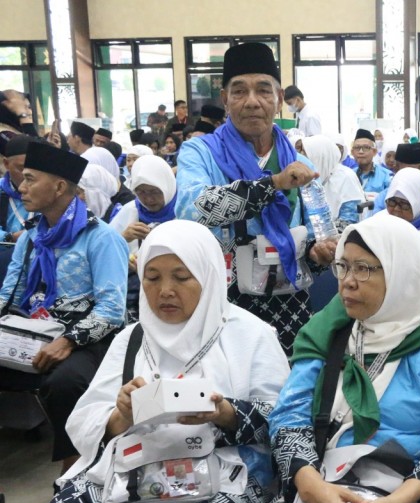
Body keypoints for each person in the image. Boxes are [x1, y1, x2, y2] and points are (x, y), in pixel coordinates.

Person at [3, 220, 290, 503]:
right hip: (128, 471)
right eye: (152, 278)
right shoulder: (133, 338)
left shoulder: (251, 335)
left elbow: (284, 423)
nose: (165, 291)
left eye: (181, 277)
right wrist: (121, 416)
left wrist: (224, 413)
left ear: (209, 275)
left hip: (220, 478)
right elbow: (84, 421)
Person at [241, 214, 420, 503]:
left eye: (365, 269)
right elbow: (289, 418)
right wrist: (313, 489)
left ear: (401, 274)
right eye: (343, 266)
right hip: (321, 482)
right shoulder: (328, 329)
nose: (348, 282)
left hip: (409, 496)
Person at [175, 42, 328, 355]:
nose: (252, 101)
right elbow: (193, 210)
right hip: (220, 303)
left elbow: (315, 237)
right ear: (225, 100)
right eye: (239, 91)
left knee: (288, 379)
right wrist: (272, 184)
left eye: (263, 90)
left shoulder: (300, 164)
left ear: (279, 99)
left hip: (289, 303)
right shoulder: (199, 152)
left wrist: (319, 252)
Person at [0, 141, 128, 469]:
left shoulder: (101, 238)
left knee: (64, 382)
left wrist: (68, 341)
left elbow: (111, 310)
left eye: (30, 179)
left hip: (88, 338)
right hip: (33, 331)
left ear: (59, 187)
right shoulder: (31, 238)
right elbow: (9, 295)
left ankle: (74, 469)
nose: (21, 187)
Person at [109, 154, 179, 257]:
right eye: (141, 192)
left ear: (167, 187)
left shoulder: (185, 212)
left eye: (155, 191)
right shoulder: (130, 211)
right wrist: (123, 238)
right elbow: (105, 250)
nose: (149, 199)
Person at [300, 134, 365, 229]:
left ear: (319, 156)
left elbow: (349, 221)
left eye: (305, 153)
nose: (301, 157)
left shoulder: (346, 177)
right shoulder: (311, 177)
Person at [0, 135, 35, 242]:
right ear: (6, 163)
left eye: (33, 168)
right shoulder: (1, 190)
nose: (28, 174)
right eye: (22, 169)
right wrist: (11, 237)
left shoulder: (46, 191)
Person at [351, 128, 392, 196]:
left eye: (366, 147)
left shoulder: (386, 176)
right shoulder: (349, 175)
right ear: (352, 152)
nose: (361, 151)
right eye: (357, 148)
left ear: (374, 152)